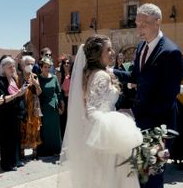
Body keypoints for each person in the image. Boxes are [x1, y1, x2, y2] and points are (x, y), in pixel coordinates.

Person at [114, 3, 183, 188]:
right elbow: (136, 77)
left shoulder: (171, 52)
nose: (138, 29)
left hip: (159, 127)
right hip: (140, 123)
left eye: (143, 24)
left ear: (157, 22)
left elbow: (168, 97)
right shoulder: (140, 48)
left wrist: (134, 114)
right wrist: (109, 71)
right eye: (137, 24)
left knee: (152, 177)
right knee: (140, 175)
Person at [59, 34, 143, 188]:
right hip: (105, 139)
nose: (113, 52)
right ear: (98, 54)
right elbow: (92, 111)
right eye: (108, 49)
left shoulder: (91, 73)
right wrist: (119, 125)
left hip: (96, 135)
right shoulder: (101, 76)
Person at [0, 56, 27, 171]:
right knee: (6, 140)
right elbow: (2, 99)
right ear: (3, 68)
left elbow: (17, 95)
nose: (13, 69)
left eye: (13, 66)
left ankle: (16, 161)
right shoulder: (0, 81)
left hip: (14, 113)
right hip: (4, 115)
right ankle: (7, 165)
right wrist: (17, 94)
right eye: (10, 67)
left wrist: (21, 93)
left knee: (15, 138)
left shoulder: (13, 79)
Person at [37, 57, 63, 157]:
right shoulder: (38, 78)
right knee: (45, 130)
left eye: (49, 67)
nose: (47, 69)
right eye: (45, 67)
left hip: (54, 106)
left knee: (55, 129)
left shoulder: (54, 77)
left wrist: (62, 106)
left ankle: (56, 149)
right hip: (44, 107)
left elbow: (59, 92)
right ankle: (45, 151)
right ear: (41, 67)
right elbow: (37, 93)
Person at [18, 55, 42, 160]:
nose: (30, 66)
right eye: (28, 64)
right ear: (22, 65)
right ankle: (22, 151)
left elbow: (39, 92)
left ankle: (34, 151)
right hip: (22, 105)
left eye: (32, 64)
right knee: (22, 127)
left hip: (33, 107)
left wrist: (36, 85)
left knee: (34, 127)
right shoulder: (18, 76)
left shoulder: (35, 76)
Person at [59, 55, 73, 139]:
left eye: (68, 63)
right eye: (64, 63)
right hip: (62, 100)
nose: (66, 64)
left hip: (71, 100)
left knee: (70, 121)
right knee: (62, 121)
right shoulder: (59, 75)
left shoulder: (74, 76)